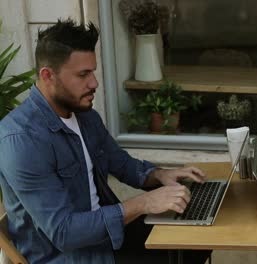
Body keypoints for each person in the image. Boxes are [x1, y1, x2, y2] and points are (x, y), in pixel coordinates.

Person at [0, 19, 210, 264]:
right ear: (48, 76)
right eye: (83, 74)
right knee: (182, 252)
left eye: (94, 71)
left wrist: (160, 175)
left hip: (107, 238)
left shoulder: (84, 115)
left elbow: (120, 162)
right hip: (72, 256)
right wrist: (144, 202)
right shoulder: (21, 140)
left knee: (197, 239)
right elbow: (64, 233)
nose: (94, 83)